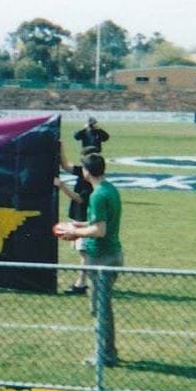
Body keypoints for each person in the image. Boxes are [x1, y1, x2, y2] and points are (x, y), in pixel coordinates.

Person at [59, 153, 123, 368]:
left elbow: (99, 230)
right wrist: (80, 225)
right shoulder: (109, 189)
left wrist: (75, 233)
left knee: (99, 308)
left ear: (86, 172)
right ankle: (109, 351)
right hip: (112, 254)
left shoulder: (97, 196)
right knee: (103, 306)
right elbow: (100, 222)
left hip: (102, 257)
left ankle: (104, 355)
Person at [55, 145, 98, 295]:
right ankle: (90, 281)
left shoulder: (90, 181)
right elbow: (66, 166)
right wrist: (60, 147)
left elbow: (79, 199)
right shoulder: (84, 171)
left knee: (84, 253)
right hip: (78, 217)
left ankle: (81, 284)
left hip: (84, 219)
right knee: (84, 252)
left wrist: (62, 186)